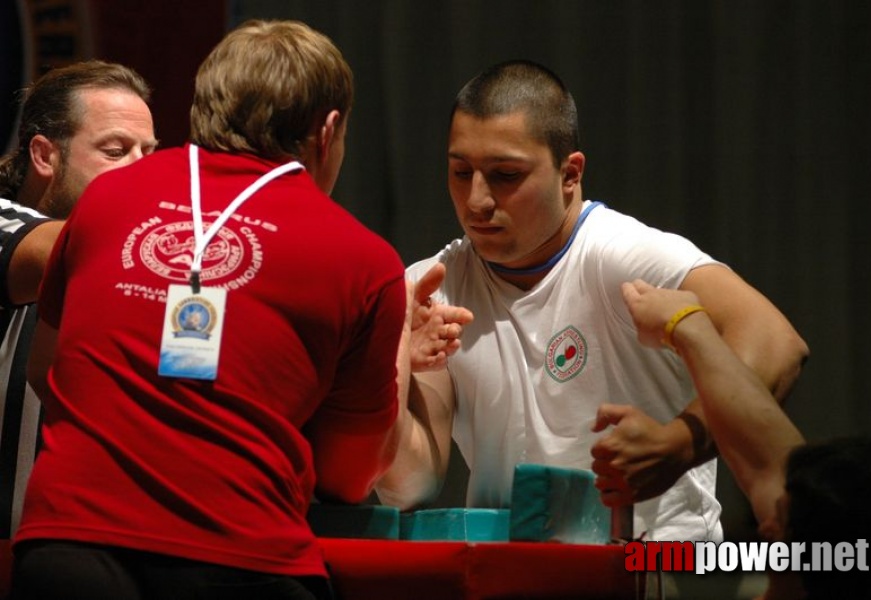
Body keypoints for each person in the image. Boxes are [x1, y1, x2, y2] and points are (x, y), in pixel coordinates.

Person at [13, 20, 406, 600]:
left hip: (66, 550)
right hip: (242, 557)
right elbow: (349, 477)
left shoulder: (104, 200)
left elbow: (46, 370)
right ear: (328, 132)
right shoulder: (365, 259)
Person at [375, 59, 810, 542]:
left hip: (657, 571)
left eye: (505, 174)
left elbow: (778, 343)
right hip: (514, 577)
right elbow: (410, 486)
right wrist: (390, 366)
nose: (476, 200)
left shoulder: (619, 255)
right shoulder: (431, 287)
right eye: (461, 171)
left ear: (570, 173)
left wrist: (682, 443)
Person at [614, 279, 871, 599]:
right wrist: (687, 325)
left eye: (784, 528)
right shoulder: (833, 555)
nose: (764, 529)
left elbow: (783, 345)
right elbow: (767, 461)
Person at [0, 60, 156, 581]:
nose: (140, 168)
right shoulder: (9, 222)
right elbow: (72, 250)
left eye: (149, 153)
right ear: (45, 154)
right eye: (116, 151)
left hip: (100, 560)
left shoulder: (145, 259)